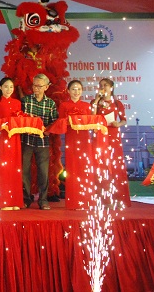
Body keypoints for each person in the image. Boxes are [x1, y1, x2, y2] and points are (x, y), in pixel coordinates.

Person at [91, 78, 130, 207]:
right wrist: (96, 101)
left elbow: (123, 120)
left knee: (115, 167)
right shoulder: (95, 102)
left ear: (111, 87)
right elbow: (92, 118)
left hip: (113, 137)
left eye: (106, 85)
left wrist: (118, 123)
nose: (103, 87)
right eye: (101, 85)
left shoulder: (117, 103)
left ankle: (118, 198)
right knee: (101, 167)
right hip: (99, 136)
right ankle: (103, 199)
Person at [21, 73, 58, 210]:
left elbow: (54, 122)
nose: (36, 88)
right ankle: (26, 199)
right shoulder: (26, 101)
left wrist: (48, 130)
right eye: (34, 85)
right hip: (27, 140)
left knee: (43, 172)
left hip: (43, 142)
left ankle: (43, 200)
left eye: (39, 86)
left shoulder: (50, 103)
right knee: (24, 171)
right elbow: (20, 119)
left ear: (46, 87)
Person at [59, 79, 93, 210]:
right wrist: (68, 121)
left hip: (84, 140)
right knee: (72, 169)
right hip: (71, 140)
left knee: (85, 168)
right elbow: (61, 123)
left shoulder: (86, 106)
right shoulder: (64, 105)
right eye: (73, 89)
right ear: (68, 91)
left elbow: (90, 123)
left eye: (79, 89)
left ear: (82, 91)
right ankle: (73, 201)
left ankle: (86, 200)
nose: (76, 92)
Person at [0, 77, 23, 210]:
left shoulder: (17, 103)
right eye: (6, 86)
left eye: (11, 87)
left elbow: (20, 120)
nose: (9, 89)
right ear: (0, 88)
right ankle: (4, 201)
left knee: (15, 168)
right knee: (3, 169)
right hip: (3, 138)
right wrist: (5, 123)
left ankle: (15, 201)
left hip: (15, 139)